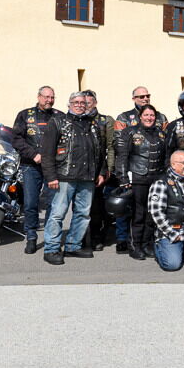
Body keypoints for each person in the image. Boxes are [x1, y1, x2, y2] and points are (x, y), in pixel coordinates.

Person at [40, 92, 106, 265]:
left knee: (83, 214)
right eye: (75, 102)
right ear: (69, 104)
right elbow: (47, 153)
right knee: (57, 214)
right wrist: (50, 176)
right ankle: (51, 249)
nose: (79, 105)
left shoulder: (93, 124)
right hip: (64, 177)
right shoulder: (57, 122)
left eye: (83, 102)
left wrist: (101, 171)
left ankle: (73, 246)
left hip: (87, 177)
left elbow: (100, 150)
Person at [12, 85, 63, 254]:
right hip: (30, 166)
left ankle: (50, 237)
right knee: (30, 203)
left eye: (52, 97)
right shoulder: (24, 115)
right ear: (39, 97)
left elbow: (66, 140)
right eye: (46, 97)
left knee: (52, 204)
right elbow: (16, 139)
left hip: (53, 168)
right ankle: (31, 237)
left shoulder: (60, 116)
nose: (49, 100)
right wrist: (33, 154)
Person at [115, 104, 166, 260]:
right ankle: (134, 245)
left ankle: (146, 244)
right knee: (138, 214)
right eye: (146, 115)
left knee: (152, 214)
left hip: (156, 179)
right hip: (137, 179)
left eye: (152, 115)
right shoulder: (129, 132)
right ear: (140, 116)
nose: (149, 118)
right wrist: (123, 178)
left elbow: (166, 157)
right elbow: (122, 156)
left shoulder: (161, 134)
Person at [82, 90, 116, 252]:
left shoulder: (105, 121)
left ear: (95, 103)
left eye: (88, 103)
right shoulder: (77, 119)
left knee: (96, 207)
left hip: (98, 169)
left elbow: (111, 146)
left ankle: (96, 237)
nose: (85, 106)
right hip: (80, 170)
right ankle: (81, 237)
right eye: (83, 103)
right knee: (80, 207)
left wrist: (108, 168)